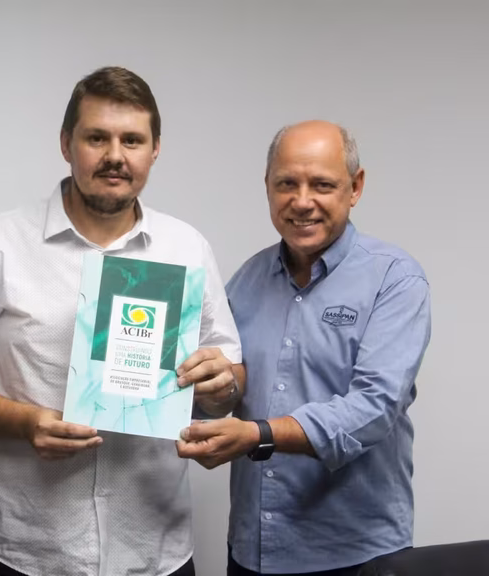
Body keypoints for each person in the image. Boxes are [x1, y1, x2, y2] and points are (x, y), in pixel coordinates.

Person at [0, 66, 243, 576]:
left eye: (132, 140)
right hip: (27, 549)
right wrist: (26, 423)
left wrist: (221, 385)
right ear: (66, 143)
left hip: (154, 549)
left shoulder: (187, 248)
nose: (115, 155)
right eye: (97, 137)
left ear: (155, 150)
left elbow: (229, 377)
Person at [176, 121, 432, 575]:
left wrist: (259, 434)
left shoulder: (395, 279)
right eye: (286, 184)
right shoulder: (245, 281)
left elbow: (374, 406)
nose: (301, 201)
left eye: (322, 185)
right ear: (267, 186)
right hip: (253, 550)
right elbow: (227, 391)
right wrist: (213, 385)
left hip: (355, 554)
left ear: (355, 187)